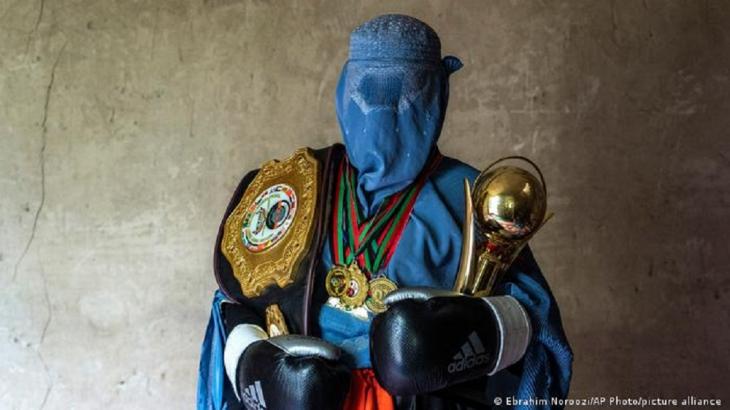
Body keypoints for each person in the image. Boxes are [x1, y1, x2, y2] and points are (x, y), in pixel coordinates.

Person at [197, 14, 572, 410]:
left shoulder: (474, 198)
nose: (382, 110)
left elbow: (540, 333)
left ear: (438, 96)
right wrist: (255, 366)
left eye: (404, 94)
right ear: (343, 91)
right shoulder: (294, 187)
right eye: (367, 91)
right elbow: (232, 302)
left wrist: (471, 335)